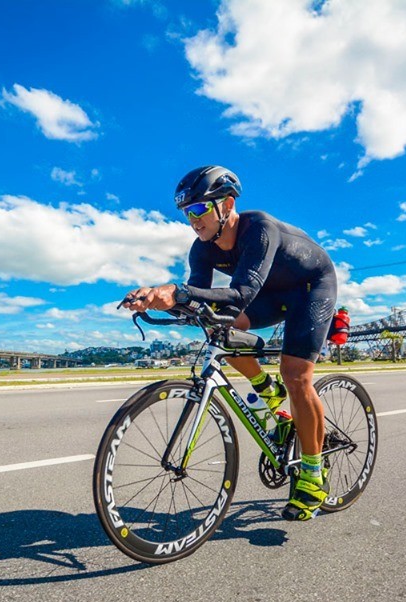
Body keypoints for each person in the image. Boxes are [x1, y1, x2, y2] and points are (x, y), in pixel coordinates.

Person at [121, 165, 338, 522]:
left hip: (311, 288)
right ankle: (267, 393)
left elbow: (240, 293)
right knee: (218, 328)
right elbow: (202, 301)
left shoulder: (259, 230)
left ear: (227, 204)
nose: (192, 220)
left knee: (296, 376)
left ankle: (313, 475)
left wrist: (179, 292)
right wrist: (158, 298)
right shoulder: (201, 249)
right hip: (270, 293)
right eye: (186, 213)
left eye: (198, 209)